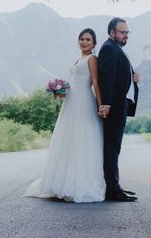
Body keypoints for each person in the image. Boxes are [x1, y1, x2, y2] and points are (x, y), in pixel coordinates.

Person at [25, 28, 106, 202]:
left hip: (84, 101)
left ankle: (80, 183)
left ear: (94, 43)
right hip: (71, 101)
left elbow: (95, 83)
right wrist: (61, 92)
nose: (84, 42)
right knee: (68, 139)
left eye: (88, 40)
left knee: (81, 138)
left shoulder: (92, 59)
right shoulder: (79, 59)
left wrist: (100, 106)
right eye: (82, 39)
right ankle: (62, 181)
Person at [98, 17, 140, 202]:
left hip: (119, 105)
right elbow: (106, 78)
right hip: (113, 107)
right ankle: (113, 190)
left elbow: (119, 75)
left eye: (127, 32)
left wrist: (133, 77)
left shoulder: (117, 49)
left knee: (114, 148)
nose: (126, 35)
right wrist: (106, 104)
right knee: (112, 148)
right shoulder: (109, 48)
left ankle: (114, 186)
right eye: (123, 32)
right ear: (112, 32)